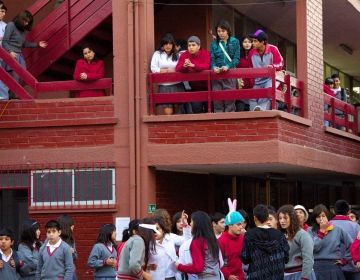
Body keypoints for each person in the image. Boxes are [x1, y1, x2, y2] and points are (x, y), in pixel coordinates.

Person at [2, 10, 47, 99]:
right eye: (25, 21)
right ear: (20, 18)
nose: (26, 23)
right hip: (11, 56)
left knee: (22, 78)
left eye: (28, 22)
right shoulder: (11, 25)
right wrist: (10, 51)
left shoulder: (23, 30)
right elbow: (4, 42)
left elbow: (24, 43)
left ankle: (15, 98)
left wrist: (37, 44)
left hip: (20, 57)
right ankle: (12, 99)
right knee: (14, 79)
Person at [241, 204, 289, 280]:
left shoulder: (249, 235)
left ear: (254, 218)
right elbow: (286, 258)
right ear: (267, 218)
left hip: (257, 276)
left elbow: (245, 258)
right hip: (276, 275)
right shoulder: (280, 235)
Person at [308, 204, 352, 280]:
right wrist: (321, 232)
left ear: (327, 216)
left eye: (323, 216)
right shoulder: (310, 231)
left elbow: (352, 245)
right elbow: (313, 248)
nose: (321, 219)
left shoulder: (337, 229)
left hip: (333, 266)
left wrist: (345, 259)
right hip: (315, 267)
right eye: (318, 217)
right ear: (315, 218)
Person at [176, 211, 222, 279]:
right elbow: (220, 262)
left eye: (191, 221)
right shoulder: (213, 239)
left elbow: (198, 268)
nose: (190, 224)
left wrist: (179, 266)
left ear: (197, 224)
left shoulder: (197, 242)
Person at [248, 29, 284, 111]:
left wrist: (272, 66)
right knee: (252, 97)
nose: (252, 43)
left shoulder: (273, 49)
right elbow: (250, 68)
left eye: (255, 41)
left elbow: (280, 63)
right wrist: (252, 82)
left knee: (267, 91)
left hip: (271, 79)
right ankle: (254, 114)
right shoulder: (251, 53)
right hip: (258, 81)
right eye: (252, 41)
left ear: (263, 42)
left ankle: (261, 110)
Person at [278, 205, 316, 280]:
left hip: (300, 274)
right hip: (286, 275)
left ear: (292, 218)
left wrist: (305, 277)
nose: (282, 221)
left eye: (285, 218)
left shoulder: (303, 235)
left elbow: (308, 259)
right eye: (280, 218)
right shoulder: (282, 235)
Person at [210, 19, 240, 113]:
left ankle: (230, 123)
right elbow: (212, 59)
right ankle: (218, 124)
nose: (221, 33)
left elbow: (236, 58)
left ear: (228, 30)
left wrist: (228, 66)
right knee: (217, 100)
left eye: (223, 31)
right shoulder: (214, 44)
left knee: (229, 100)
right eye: (218, 31)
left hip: (230, 73)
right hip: (217, 74)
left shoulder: (235, 41)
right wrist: (213, 67)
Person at [176, 35, 210, 114]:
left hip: (208, 87)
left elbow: (207, 65)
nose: (191, 47)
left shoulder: (205, 53)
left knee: (209, 109)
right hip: (194, 88)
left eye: (193, 45)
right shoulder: (184, 55)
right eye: (189, 45)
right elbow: (177, 68)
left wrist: (194, 65)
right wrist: (184, 66)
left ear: (199, 46)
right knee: (196, 109)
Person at [150, 33, 184, 115]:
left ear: (173, 44)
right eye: (165, 44)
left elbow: (181, 67)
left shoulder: (178, 55)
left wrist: (174, 70)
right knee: (168, 113)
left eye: (170, 43)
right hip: (164, 86)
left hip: (177, 85)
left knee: (178, 112)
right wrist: (162, 70)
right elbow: (153, 68)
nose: (168, 46)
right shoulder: (157, 54)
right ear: (162, 45)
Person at [331, 199, 360, 279]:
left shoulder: (328, 226)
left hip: (334, 268)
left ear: (334, 211)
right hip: (354, 268)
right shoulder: (356, 226)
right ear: (348, 211)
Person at [218, 198, 245, 280]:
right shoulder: (221, 241)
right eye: (238, 224)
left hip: (241, 276)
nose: (241, 227)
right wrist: (227, 275)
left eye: (242, 224)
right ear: (230, 225)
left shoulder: (242, 237)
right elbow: (218, 261)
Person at [236, 35, 254, 111]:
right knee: (240, 107)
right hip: (241, 84)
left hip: (252, 83)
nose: (247, 44)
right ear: (241, 43)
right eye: (245, 42)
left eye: (249, 42)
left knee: (251, 108)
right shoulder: (238, 55)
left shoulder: (255, 54)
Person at [57, 214, 77, 280]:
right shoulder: (54, 239)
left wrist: (73, 252)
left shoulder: (71, 239)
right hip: (59, 273)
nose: (73, 227)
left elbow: (75, 257)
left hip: (71, 272)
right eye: (71, 226)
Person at [0, 3, 8, 100]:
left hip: (3, 56)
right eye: (1, 11)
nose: (2, 13)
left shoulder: (6, 26)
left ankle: (4, 96)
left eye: (3, 11)